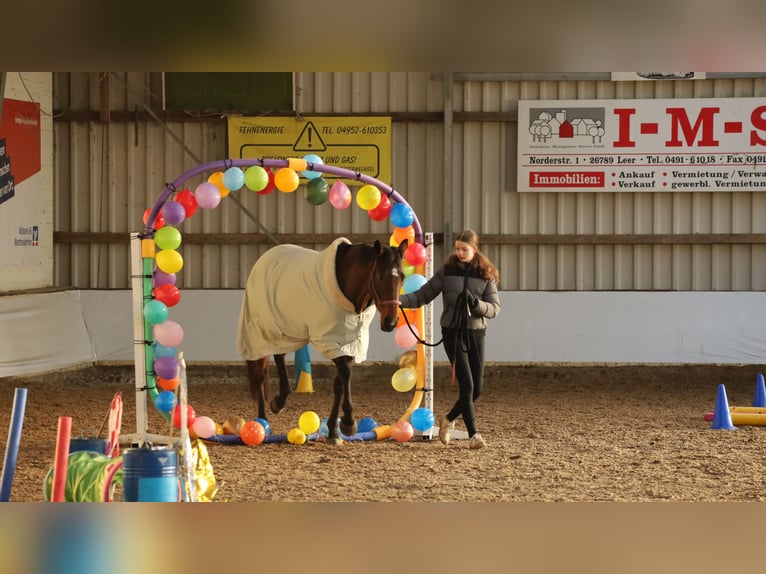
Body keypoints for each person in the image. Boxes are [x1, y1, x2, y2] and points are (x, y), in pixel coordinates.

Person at [399, 229, 501, 449]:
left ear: (474, 250)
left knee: (478, 388)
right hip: (452, 332)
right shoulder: (446, 272)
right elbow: (423, 295)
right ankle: (474, 435)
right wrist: (400, 301)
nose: (460, 253)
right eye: (457, 249)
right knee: (467, 384)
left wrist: (477, 305)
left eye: (464, 249)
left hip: (476, 333)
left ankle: (448, 418)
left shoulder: (486, 275)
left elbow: (495, 308)